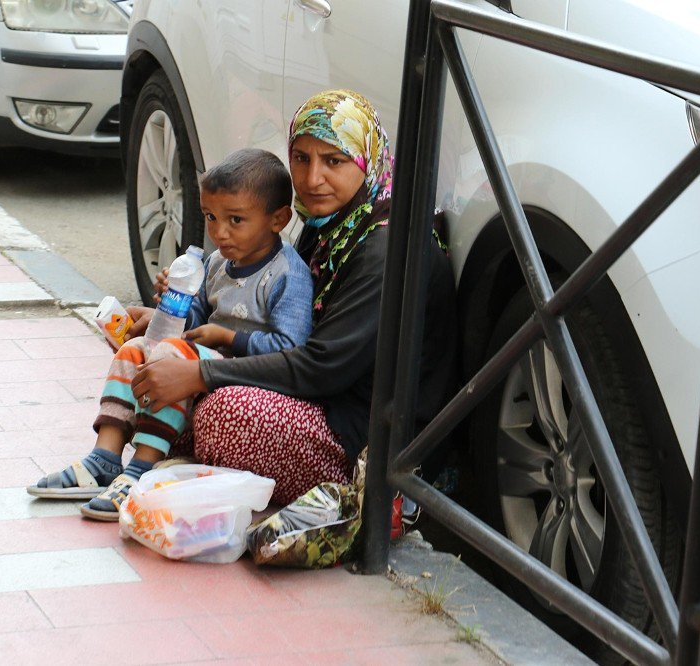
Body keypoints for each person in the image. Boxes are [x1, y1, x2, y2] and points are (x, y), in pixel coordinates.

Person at [128, 89, 456, 507]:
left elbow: (321, 367)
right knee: (151, 356)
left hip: (368, 442)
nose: (311, 178)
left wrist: (200, 377)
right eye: (301, 158)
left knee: (223, 413)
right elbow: (268, 317)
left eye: (333, 161)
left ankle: (204, 459)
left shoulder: (385, 248)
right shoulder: (332, 222)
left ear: (366, 160)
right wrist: (174, 323)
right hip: (318, 402)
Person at [27, 148, 314, 518]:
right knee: (134, 350)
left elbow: (291, 347)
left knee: (169, 356)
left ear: (278, 219)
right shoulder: (216, 264)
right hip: (203, 361)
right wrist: (169, 306)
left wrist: (227, 338)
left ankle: (142, 469)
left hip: (249, 375)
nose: (219, 232)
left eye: (236, 220)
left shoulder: (287, 274)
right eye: (211, 217)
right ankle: (105, 458)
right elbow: (194, 321)